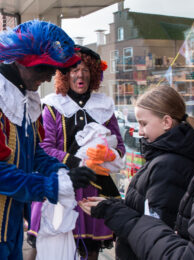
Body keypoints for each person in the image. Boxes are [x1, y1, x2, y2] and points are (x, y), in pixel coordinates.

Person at [0, 20, 97, 260]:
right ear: (20, 61)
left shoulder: (24, 98)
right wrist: (53, 186)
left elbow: (34, 152)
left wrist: (65, 171)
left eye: (54, 69)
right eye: (43, 68)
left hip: (13, 216)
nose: (48, 77)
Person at [79, 85, 194, 259]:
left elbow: (155, 231)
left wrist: (111, 210)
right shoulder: (166, 158)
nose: (140, 131)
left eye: (144, 124)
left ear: (166, 122)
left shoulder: (169, 165)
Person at [28, 46, 125, 260]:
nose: (80, 75)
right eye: (73, 70)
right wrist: (77, 162)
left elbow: (119, 145)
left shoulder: (104, 106)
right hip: (61, 183)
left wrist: (108, 155)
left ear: (93, 74)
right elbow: (44, 147)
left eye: (85, 70)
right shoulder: (53, 106)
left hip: (95, 188)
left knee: (90, 250)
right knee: (47, 243)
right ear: (64, 74)